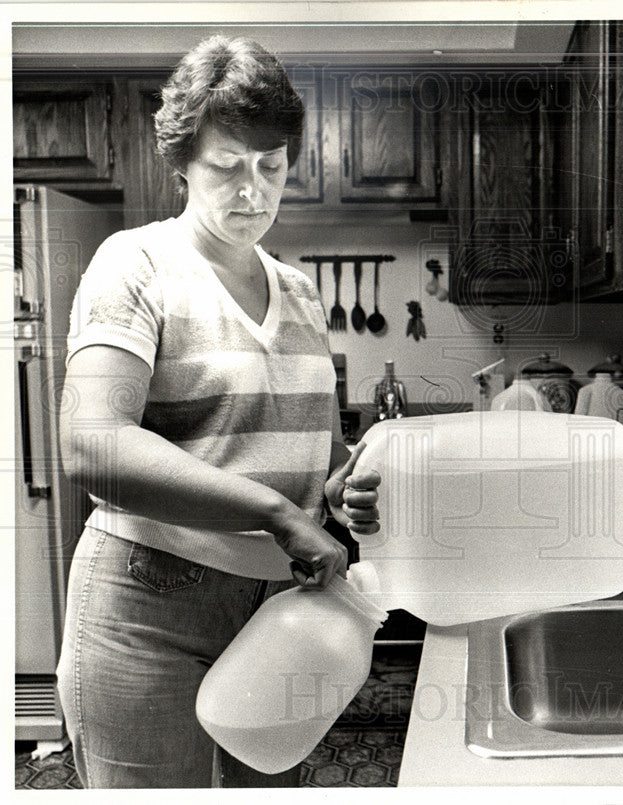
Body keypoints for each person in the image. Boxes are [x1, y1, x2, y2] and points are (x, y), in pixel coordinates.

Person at [55, 35, 380, 788]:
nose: (252, 191)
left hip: (278, 609)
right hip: (146, 603)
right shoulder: (135, 265)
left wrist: (338, 490)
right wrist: (274, 510)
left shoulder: (300, 292)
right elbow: (93, 446)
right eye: (226, 167)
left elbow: (320, 459)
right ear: (181, 165)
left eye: (271, 167)